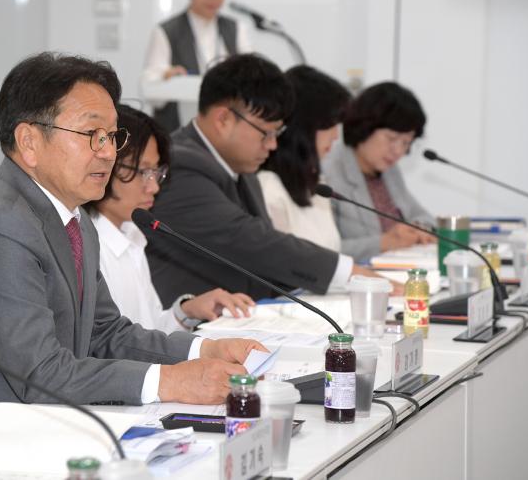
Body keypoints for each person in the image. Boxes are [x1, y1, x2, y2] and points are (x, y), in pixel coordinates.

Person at [0, 53, 265, 429]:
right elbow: (40, 375)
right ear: (29, 142)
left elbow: (104, 333)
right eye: (92, 135)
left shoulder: (72, 218)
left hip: (32, 421)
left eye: (112, 136)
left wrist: (205, 349)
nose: (108, 152)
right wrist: (169, 381)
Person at [145, 53, 392, 309]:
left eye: (277, 133)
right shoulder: (180, 165)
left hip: (242, 318)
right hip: (189, 327)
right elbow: (252, 241)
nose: (273, 145)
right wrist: (348, 273)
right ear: (223, 119)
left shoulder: (240, 165)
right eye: (266, 133)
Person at [86, 104, 255, 332]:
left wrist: (187, 312)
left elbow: (148, 329)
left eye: (156, 173)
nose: (154, 187)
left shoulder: (131, 234)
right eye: (143, 171)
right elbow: (117, 345)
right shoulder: (89, 249)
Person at [142, 0, 252, 132]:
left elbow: (251, 83)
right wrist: (167, 77)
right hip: (178, 134)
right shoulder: (166, 31)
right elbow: (150, 92)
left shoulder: (237, 29)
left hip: (224, 133)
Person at [322, 82, 435, 262]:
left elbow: (422, 216)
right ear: (366, 127)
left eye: (406, 142)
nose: (398, 151)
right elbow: (320, 250)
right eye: (392, 138)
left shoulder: (389, 171)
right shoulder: (328, 173)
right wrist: (384, 243)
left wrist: (419, 229)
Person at [258, 65, 350, 251]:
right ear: (302, 125)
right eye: (330, 124)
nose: (335, 136)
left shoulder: (316, 183)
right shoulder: (268, 188)